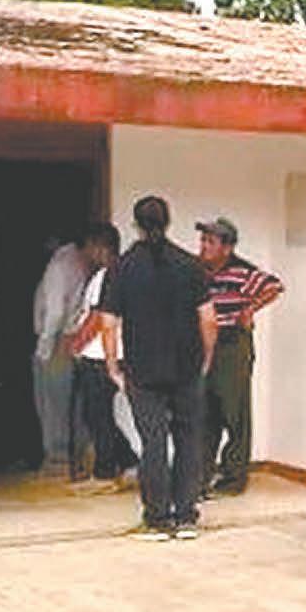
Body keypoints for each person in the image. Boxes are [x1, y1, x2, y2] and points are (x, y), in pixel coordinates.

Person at [100, 197, 216, 541]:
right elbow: (208, 320)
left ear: (135, 225)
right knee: (189, 439)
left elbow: (108, 323)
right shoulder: (190, 265)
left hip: (143, 368)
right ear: (168, 222)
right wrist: (206, 358)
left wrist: (112, 366)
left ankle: (157, 518)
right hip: (186, 366)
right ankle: (186, 515)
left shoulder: (122, 268)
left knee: (153, 442)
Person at [196, 216, 284, 498]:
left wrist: (250, 309)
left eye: (210, 241)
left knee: (234, 411)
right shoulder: (196, 270)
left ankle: (233, 477)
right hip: (202, 342)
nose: (204, 246)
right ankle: (200, 476)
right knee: (204, 411)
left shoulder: (242, 271)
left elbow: (274, 286)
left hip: (231, 343)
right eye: (203, 240)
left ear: (227, 248)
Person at [65, 224, 136, 491]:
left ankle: (106, 471)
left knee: (96, 414)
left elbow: (97, 317)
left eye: (89, 247)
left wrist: (77, 344)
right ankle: (128, 461)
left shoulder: (105, 276)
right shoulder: (126, 273)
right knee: (99, 414)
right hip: (120, 352)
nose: (86, 253)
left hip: (98, 354)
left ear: (100, 247)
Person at [30, 231, 90, 475]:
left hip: (57, 341)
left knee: (52, 403)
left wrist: (44, 347)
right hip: (73, 338)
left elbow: (55, 311)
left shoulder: (59, 265)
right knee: (72, 403)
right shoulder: (78, 262)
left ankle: (58, 458)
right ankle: (76, 456)